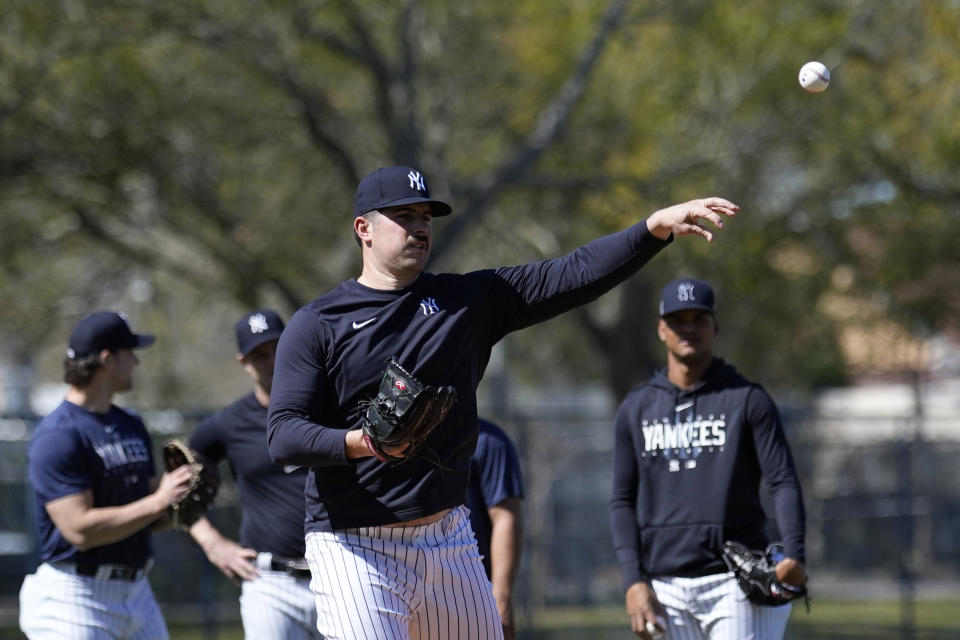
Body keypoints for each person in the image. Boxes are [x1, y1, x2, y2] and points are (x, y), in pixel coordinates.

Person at [267, 165, 738, 639]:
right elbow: (284, 434)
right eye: (404, 216)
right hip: (354, 545)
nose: (420, 227)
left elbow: (573, 273)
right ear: (363, 229)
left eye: (426, 217)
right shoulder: (319, 323)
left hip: (447, 538)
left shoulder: (467, 302)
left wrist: (652, 229)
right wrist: (363, 443)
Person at [609, 278, 807, 639]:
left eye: (698, 318)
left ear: (714, 326)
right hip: (664, 586)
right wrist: (633, 581)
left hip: (734, 583)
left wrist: (794, 553)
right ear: (661, 329)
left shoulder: (747, 399)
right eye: (677, 319)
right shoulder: (636, 408)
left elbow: (782, 480)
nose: (688, 327)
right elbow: (622, 500)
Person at [19, 311, 195, 640]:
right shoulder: (58, 434)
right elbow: (79, 528)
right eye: (130, 353)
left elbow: (148, 514)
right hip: (75, 596)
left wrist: (180, 503)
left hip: (137, 592)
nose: (136, 363)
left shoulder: (131, 423)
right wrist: (159, 500)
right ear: (107, 359)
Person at [186, 309, 323, 639]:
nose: (272, 359)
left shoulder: (329, 405)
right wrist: (211, 542)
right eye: (259, 354)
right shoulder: (229, 425)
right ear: (243, 361)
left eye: (278, 347)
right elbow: (176, 486)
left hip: (339, 573)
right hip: (270, 584)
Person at [466, 418, 525, 640]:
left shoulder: (488, 440)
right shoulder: (396, 438)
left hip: (475, 593)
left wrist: (501, 595)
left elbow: (505, 518)